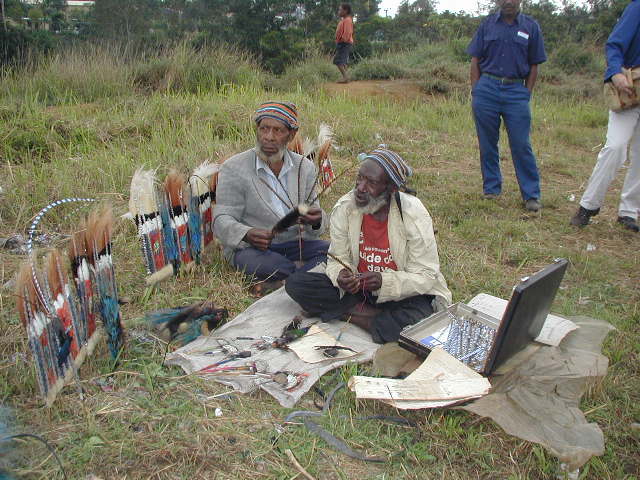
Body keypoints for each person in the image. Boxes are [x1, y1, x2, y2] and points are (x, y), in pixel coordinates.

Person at [285, 148, 452, 344]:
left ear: (391, 189)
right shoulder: (346, 206)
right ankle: (377, 319)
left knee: (422, 321)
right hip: (357, 291)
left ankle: (346, 314)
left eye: (371, 182)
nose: (360, 188)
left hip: (400, 294)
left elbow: (425, 276)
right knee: (296, 284)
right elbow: (337, 257)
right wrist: (341, 274)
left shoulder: (413, 214)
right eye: (360, 178)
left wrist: (383, 281)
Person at [213, 102, 329, 293]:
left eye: (278, 131)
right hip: (256, 249)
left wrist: (316, 220)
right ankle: (304, 277)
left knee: (335, 253)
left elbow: (316, 222)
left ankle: (287, 281)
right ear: (257, 130)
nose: (269, 137)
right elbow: (221, 219)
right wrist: (247, 233)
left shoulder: (304, 168)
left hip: (296, 244)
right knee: (263, 265)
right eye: (264, 129)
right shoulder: (234, 168)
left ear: (291, 135)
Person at [467, 0, 547, 212]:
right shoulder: (487, 25)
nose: (509, 1)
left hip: (516, 91)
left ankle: (531, 195)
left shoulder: (531, 27)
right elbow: (475, 60)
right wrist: (477, 91)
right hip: (487, 89)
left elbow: (534, 64)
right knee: (487, 143)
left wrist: (525, 94)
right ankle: (492, 190)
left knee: (521, 144)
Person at [570, 1, 640, 233]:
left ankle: (628, 212)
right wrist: (616, 74)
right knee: (615, 147)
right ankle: (588, 205)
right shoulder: (637, 7)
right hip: (629, 90)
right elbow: (614, 44)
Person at [334, 3, 354, 84]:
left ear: (345, 11)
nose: (339, 12)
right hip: (343, 43)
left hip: (344, 43)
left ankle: (345, 78)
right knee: (342, 60)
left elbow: (347, 32)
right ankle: (347, 77)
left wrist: (342, 40)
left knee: (339, 61)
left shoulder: (347, 20)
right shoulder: (345, 20)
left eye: (340, 10)